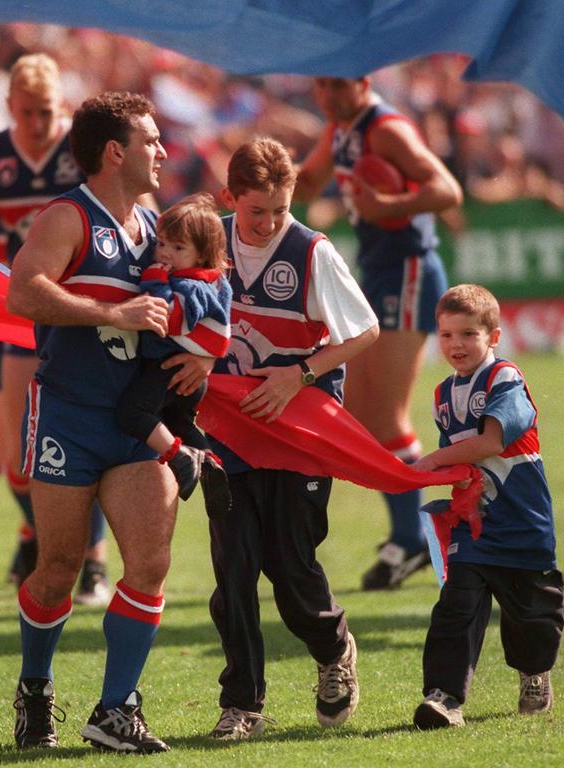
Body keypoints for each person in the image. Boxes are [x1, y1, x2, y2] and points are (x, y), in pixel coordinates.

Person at [7, 91, 201, 754]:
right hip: (67, 415)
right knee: (58, 566)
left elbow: (206, 299)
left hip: (138, 427)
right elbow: (22, 290)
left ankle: (116, 708)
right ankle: (35, 688)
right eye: (150, 140)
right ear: (115, 152)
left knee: (149, 561)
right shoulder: (68, 217)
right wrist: (110, 313)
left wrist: (202, 359)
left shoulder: (159, 227)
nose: (163, 151)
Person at [207, 137, 379, 740]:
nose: (270, 222)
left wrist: (298, 375)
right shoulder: (209, 241)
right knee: (234, 569)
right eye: (257, 211)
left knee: (289, 564)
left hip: (300, 430)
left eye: (280, 210)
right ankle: (243, 703)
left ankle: (334, 651)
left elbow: (364, 331)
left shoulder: (312, 252)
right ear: (230, 198)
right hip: (226, 434)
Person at [0, 53, 110, 603]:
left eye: (46, 112)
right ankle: (42, 533)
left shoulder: (83, 150)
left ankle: (90, 559)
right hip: (13, 315)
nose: (37, 125)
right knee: (15, 456)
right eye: (26, 114)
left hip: (82, 316)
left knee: (93, 433)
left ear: (61, 106)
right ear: (10, 107)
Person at [294, 75, 463, 591]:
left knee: (385, 412)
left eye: (339, 85)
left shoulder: (385, 128)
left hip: (409, 270)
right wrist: (253, 191)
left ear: (364, 82)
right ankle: (413, 534)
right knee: (367, 413)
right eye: (321, 86)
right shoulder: (339, 128)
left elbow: (447, 190)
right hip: (380, 270)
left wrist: (385, 207)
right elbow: (307, 181)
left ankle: (420, 536)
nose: (328, 95)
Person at [410, 284, 563, 729]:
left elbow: (492, 442)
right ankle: (444, 696)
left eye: (468, 334)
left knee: (533, 615)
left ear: (493, 337)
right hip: (473, 526)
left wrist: (434, 460)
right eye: (446, 335)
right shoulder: (442, 394)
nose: (456, 344)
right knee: (457, 605)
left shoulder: (505, 378)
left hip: (522, 521)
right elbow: (460, 461)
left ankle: (535, 672)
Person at [113, 192, 232, 516]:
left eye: (178, 248)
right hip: (187, 375)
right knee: (177, 420)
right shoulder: (215, 280)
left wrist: (154, 280)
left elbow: (168, 318)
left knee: (131, 414)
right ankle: (209, 462)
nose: (165, 252)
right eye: (162, 243)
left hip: (169, 369)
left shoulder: (192, 285)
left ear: (202, 254)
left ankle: (179, 459)